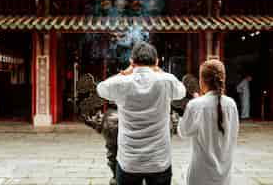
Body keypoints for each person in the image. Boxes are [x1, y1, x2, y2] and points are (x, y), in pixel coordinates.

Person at [97, 41, 186, 185]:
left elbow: (101, 89)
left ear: (132, 61)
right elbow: (181, 92)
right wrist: (160, 72)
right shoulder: (166, 81)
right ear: (156, 61)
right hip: (159, 160)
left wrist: (124, 73)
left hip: (129, 161)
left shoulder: (122, 82)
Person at [178, 59, 239, 185]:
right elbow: (233, 134)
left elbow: (183, 132)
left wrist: (186, 112)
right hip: (224, 175)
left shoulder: (195, 105)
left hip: (200, 174)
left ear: (202, 81)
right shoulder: (231, 104)